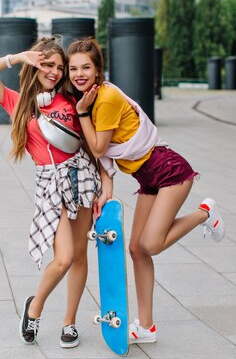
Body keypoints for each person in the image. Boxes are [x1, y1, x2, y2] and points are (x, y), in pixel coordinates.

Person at [66, 37, 225, 344]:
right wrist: (105, 192)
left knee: (150, 245)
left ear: (98, 70)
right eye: (73, 69)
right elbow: (107, 158)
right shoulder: (90, 99)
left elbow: (98, 147)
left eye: (86, 67)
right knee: (136, 249)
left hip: (170, 172)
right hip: (148, 178)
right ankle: (146, 326)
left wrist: (83, 112)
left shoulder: (105, 98)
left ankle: (205, 213)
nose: (79, 74)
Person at [0, 37, 100, 349]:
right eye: (48, 65)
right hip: (49, 184)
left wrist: (105, 185)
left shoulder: (73, 101)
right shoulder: (21, 103)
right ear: (36, 64)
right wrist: (19, 57)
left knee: (80, 256)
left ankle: (69, 323)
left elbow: (94, 145)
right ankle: (35, 308)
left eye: (60, 68)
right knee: (63, 258)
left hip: (81, 176)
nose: (56, 72)